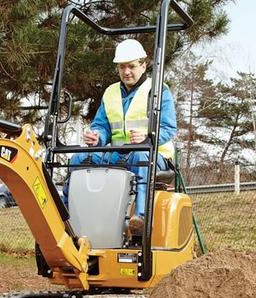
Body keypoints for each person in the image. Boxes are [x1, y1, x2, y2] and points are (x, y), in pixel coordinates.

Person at [67, 38, 177, 234]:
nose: (126, 72)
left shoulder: (159, 91)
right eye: (122, 67)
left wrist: (147, 136)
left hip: (155, 156)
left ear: (143, 65)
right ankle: (66, 217)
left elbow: (169, 127)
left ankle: (140, 218)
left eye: (132, 66)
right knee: (78, 159)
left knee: (141, 156)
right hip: (118, 155)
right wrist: (96, 136)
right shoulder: (110, 93)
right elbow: (102, 126)